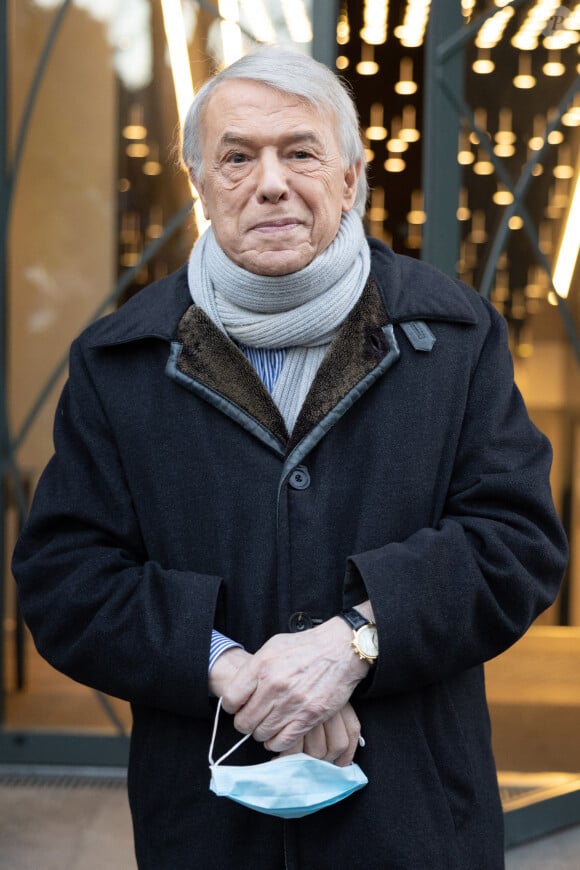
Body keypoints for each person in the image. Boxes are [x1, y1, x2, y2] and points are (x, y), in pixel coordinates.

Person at [13, 46, 568, 869]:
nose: (271, 181)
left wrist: (351, 646)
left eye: (300, 152)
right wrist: (232, 670)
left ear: (348, 177)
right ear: (203, 186)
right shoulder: (119, 361)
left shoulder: (455, 337)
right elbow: (66, 580)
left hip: (415, 821)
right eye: (238, 156)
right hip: (209, 827)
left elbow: (516, 545)